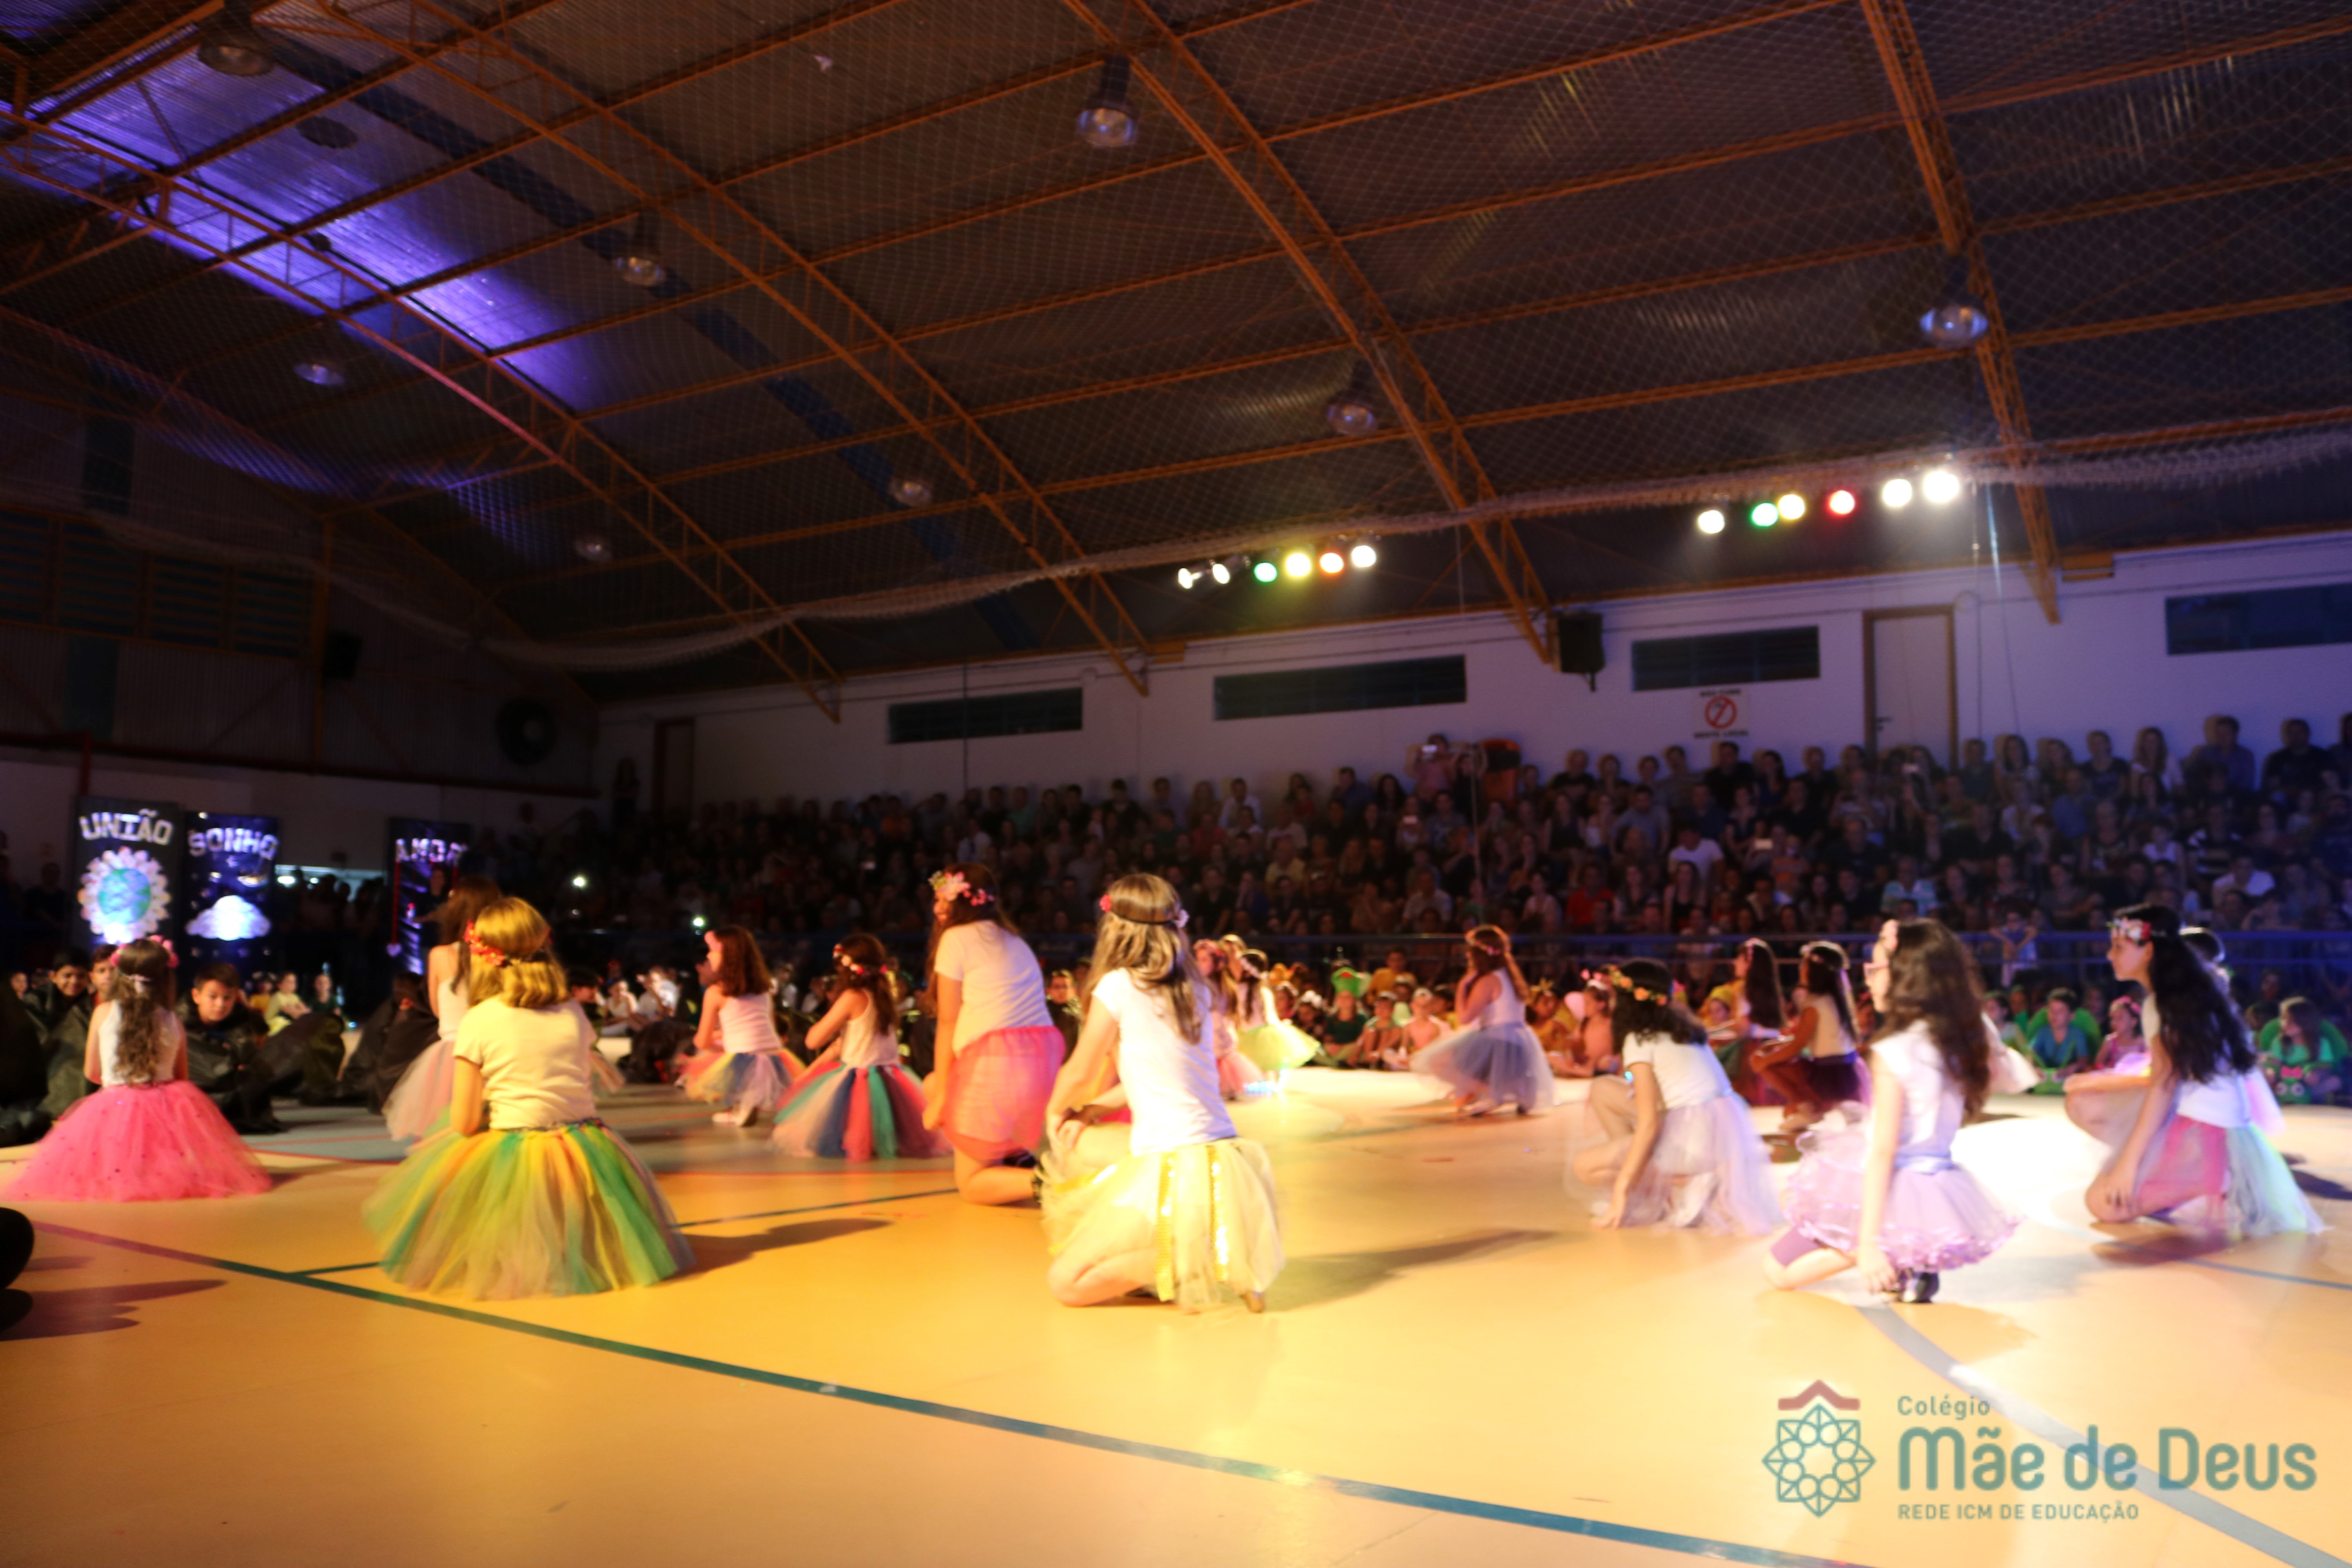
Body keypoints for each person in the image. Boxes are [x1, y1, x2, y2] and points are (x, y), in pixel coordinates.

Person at [363, 898, 692, 1299]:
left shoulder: (480, 1019)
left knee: (459, 1161)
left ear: (484, 957)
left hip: (518, 1141)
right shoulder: (572, 1011)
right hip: (585, 1145)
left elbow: (465, 1121)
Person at [1038, 874, 1283, 1311]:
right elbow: (1155, 1080)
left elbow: (1079, 1069)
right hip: (1220, 1158)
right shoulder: (1194, 989)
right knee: (1086, 1145)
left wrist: (1055, 1112)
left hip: (1174, 1163)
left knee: (1066, 1284)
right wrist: (1090, 1111)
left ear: (1116, 928)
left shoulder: (1118, 986)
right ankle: (1201, 1251)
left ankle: (1201, 1258)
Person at [1768, 920, 2035, 1301]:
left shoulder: (1896, 1051)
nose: (1869, 981)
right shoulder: (1962, 1039)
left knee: (1776, 1271)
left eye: (1875, 969)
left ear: (1905, 976)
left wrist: (1868, 1244)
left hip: (1886, 1185)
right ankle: (1908, 1256)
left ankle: (1895, 1251)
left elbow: (1883, 1152)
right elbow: (2011, 1072)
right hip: (1933, 1183)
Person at [2089, 907, 2321, 1236]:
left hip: (2207, 1125)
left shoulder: (2162, 1004)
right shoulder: (2185, 994)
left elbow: (2163, 1087)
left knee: (2101, 1204)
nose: (2109, 955)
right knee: (2085, 1104)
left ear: (2149, 951)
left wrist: (2128, 1164)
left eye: (2118, 948)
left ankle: (2214, 1177)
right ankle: (2184, 1179)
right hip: (2216, 1120)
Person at [6, 939, 270, 1202]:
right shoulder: (172, 1019)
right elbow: (182, 1077)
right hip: (165, 1104)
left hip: (113, 1105)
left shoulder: (103, 1013)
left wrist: (117, 1086)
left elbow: (91, 1072)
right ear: (166, 979)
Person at [1570, 960, 1779, 1232]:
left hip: (1693, 1138)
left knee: (1584, 1167)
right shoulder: (1683, 1027)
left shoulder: (1639, 1039)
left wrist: (1621, 1188)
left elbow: (1649, 1122)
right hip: (1720, 1127)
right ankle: (1652, 1186)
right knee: (1603, 1089)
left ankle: (1687, 1180)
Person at [923, 864, 1066, 1205]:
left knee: (972, 1185)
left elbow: (948, 1022)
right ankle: (1018, 1158)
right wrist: (940, 1092)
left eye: (943, 900)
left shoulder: (956, 939)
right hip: (1038, 1063)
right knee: (932, 1083)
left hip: (997, 1062)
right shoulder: (1012, 938)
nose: (937, 908)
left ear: (962, 901)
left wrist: (942, 1100)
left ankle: (1059, 1184)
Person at [772, 935, 944, 1159]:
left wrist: (834, 1017)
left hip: (860, 1076)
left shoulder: (852, 997)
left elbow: (813, 1040)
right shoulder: (886, 996)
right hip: (892, 1076)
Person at [384, 875, 501, 1142]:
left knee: (450, 1129)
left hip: (453, 1050)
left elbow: (439, 1011)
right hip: (494, 1048)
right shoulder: (500, 955)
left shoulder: (440, 955)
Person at [1412, 927, 1554, 1117]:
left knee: (1437, 1062)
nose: (1467, 955)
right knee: (1466, 1058)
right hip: (1519, 1040)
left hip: (1498, 1039)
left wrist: (1462, 986)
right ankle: (1516, 1090)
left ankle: (1492, 1094)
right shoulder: (1510, 977)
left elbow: (1464, 1018)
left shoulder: (1488, 981)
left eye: (1470, 952)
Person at [679, 926, 803, 1127]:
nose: (709, 956)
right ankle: (747, 1101)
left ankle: (739, 1103)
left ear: (727, 957)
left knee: (710, 1051)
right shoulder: (764, 990)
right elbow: (768, 1026)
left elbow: (703, 1040)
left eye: (713, 951)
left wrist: (708, 1038)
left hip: (743, 1052)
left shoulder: (716, 992)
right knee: (737, 1048)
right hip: (773, 1054)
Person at [1749, 942, 1866, 1134]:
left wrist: (1765, 1060)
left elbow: (1798, 1045)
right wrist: (1772, 1046)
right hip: (1845, 1071)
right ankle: (1817, 1107)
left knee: (1766, 1064)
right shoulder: (1837, 999)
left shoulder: (1816, 1004)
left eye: (1804, 965)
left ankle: (1808, 1108)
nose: (1800, 969)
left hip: (1829, 1075)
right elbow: (1804, 1038)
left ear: (1815, 971)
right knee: (1769, 1059)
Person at [1222, 938, 1318, 1076]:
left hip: (1257, 1034)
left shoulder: (1250, 990)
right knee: (1259, 1066)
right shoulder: (1257, 988)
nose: (1235, 969)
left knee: (1261, 1065)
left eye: (1239, 967)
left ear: (1247, 972)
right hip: (1252, 1032)